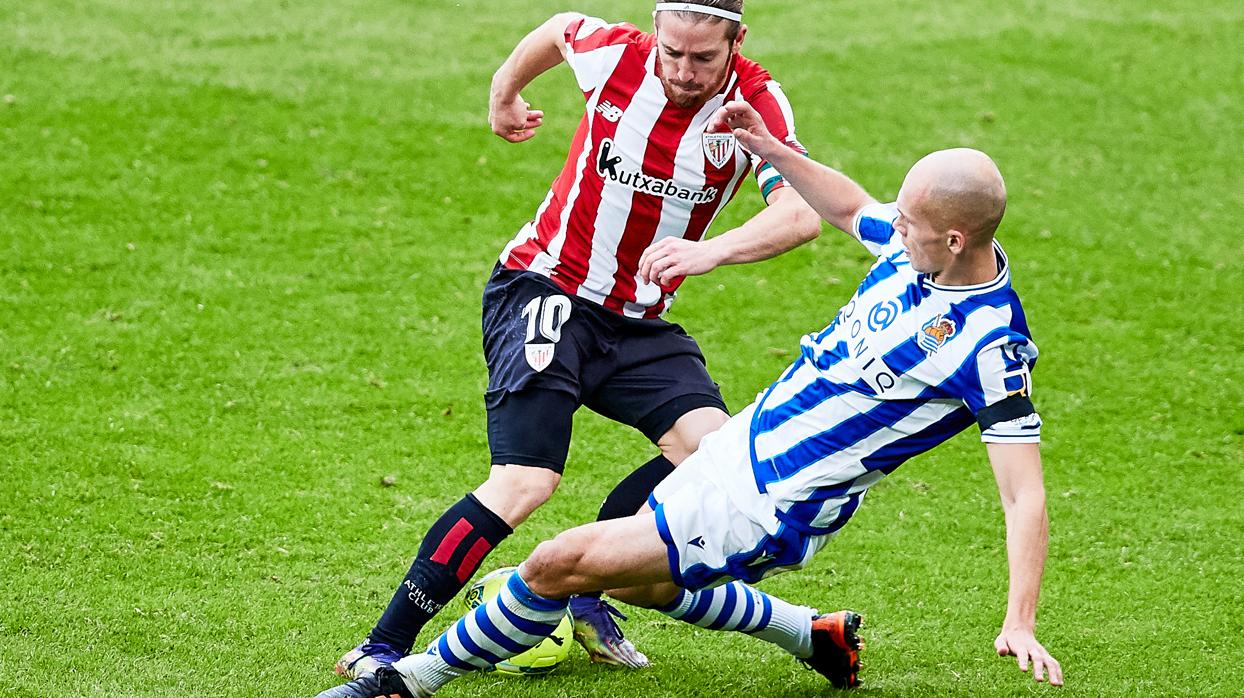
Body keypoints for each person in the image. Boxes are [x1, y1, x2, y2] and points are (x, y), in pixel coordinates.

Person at [316, 111, 1065, 698]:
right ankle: (815, 635)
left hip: (771, 506)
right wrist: (770, 147)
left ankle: (405, 679)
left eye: (910, 225)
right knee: (636, 582)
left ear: (958, 236)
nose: (893, 229)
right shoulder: (914, 249)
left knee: (557, 563)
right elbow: (846, 208)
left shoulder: (991, 348)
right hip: (737, 450)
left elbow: (1022, 494)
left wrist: (1020, 619)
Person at [329, 0, 823, 682]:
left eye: (703, 57)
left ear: (737, 41)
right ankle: (382, 645)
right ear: (656, 30)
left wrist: (711, 253)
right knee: (527, 480)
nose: (682, 71)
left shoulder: (755, 105)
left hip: (638, 322)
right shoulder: (616, 53)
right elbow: (560, 28)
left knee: (716, 464)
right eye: (672, 51)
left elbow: (800, 215)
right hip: (544, 288)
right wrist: (505, 91)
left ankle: (588, 592)